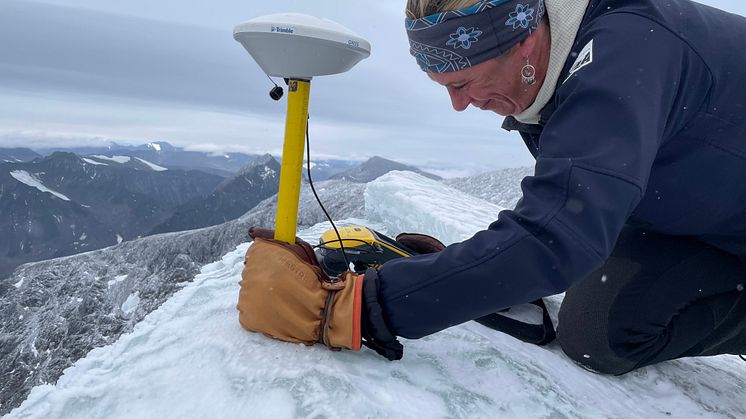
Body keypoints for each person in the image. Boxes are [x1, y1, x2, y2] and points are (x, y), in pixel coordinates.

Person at [238, 0, 746, 375]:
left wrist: (363, 308)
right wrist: (456, 275)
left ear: (522, 42)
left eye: (463, 83)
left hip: (720, 218)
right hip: (697, 215)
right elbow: (574, 206)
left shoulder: (623, 55)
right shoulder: (552, 63)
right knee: (598, 332)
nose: (460, 105)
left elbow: (558, 233)